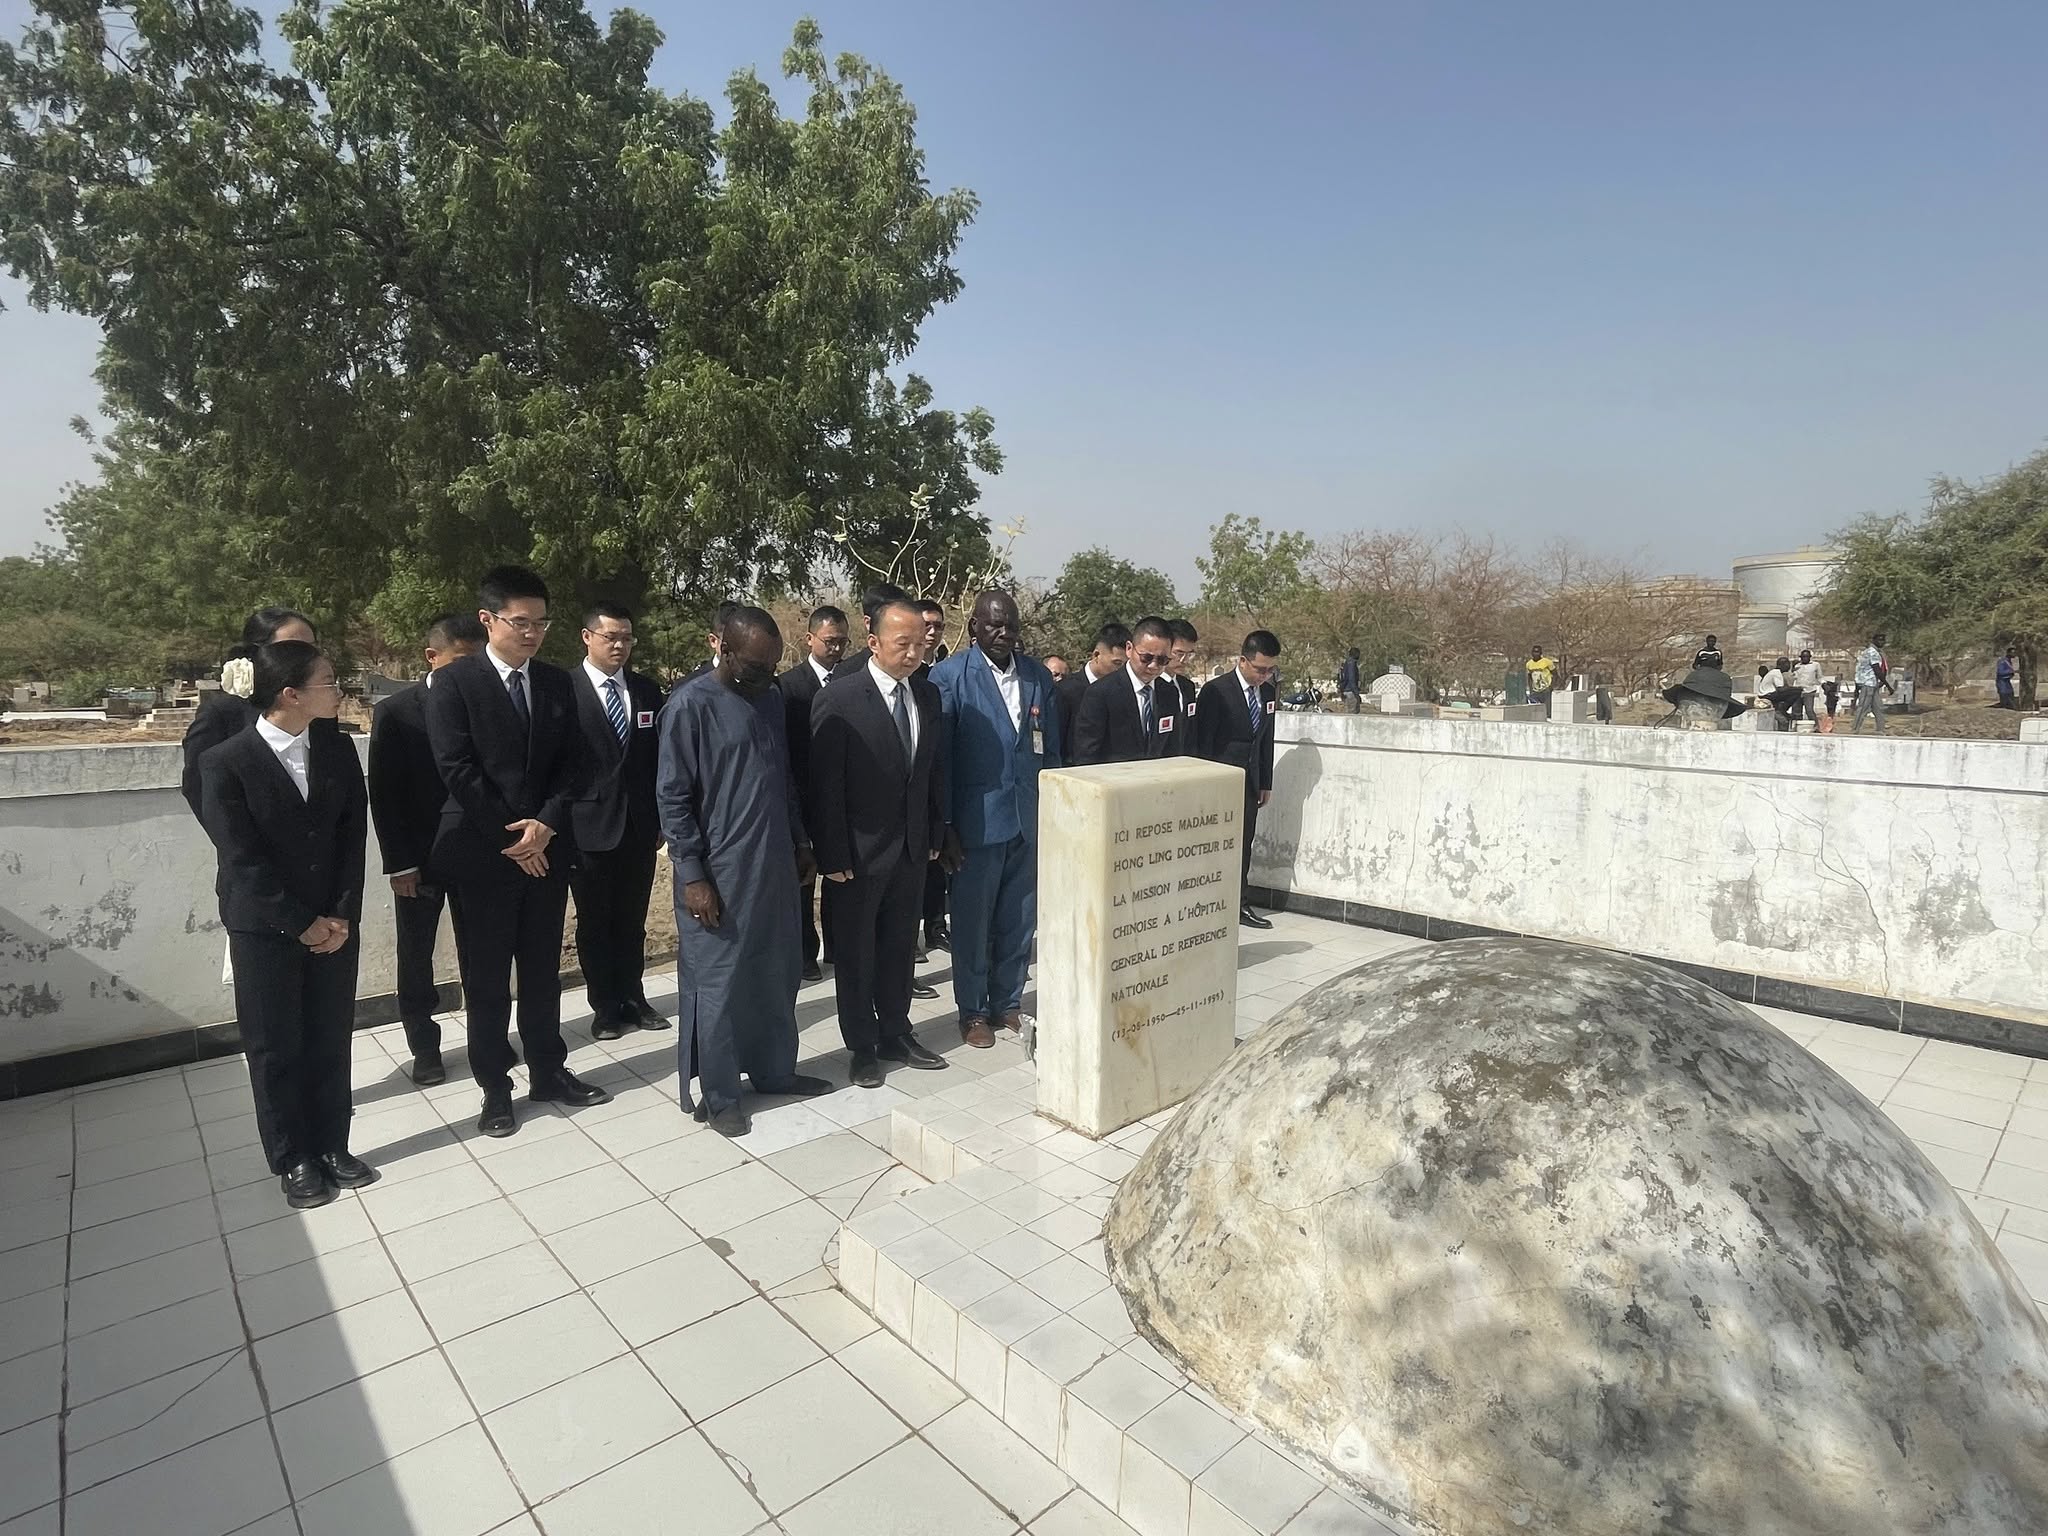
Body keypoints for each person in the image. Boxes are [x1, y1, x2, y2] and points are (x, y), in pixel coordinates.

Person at [426, 565, 611, 1137]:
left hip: (545, 850)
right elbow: (457, 769)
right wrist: (514, 838)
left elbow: (576, 764)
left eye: (541, 623)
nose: (532, 633)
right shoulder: (456, 684)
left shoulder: (556, 683)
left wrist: (547, 827)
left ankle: (549, 1070)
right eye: (520, 622)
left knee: (541, 972)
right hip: (483, 853)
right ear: (488, 620)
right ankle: (495, 1087)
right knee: (486, 980)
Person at [197, 641, 370, 1210]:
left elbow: (350, 838)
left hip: (334, 923)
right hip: (265, 927)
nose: (339, 688)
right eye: (329, 680)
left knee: (328, 1036)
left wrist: (340, 914)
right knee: (275, 1045)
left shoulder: (338, 749)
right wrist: (301, 924)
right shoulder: (225, 762)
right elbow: (242, 859)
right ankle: (293, 1155)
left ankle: (331, 1143)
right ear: (291, 694)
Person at [658, 607, 833, 1136]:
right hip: (718, 873)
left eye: (772, 668)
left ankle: (775, 1071)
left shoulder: (771, 698)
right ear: (723, 649)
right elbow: (672, 797)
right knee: (718, 985)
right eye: (754, 668)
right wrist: (692, 875)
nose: (764, 677)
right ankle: (720, 1095)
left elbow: (782, 778)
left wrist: (801, 841)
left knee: (775, 974)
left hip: (774, 864)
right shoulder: (690, 705)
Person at [809, 599, 949, 1087]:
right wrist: (832, 853)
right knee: (856, 954)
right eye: (902, 644)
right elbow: (825, 785)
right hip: (857, 856)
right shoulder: (841, 698)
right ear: (874, 643)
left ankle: (896, 1031)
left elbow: (929, 773)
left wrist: (934, 833)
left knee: (897, 949)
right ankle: (862, 1046)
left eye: (919, 643)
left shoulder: (926, 696)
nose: (912, 653)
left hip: (911, 850)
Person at [931, 589, 1060, 1048]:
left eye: (1011, 625)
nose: (1004, 633)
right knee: (971, 922)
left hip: (1028, 819)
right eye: (994, 625)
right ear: (975, 628)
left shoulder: (1038, 677)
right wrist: (944, 825)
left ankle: (1008, 1001)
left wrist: (1055, 813)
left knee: (1019, 919)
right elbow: (940, 760)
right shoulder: (949, 677)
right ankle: (973, 1012)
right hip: (975, 825)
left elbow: (1052, 753)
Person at [367, 611, 484, 1085]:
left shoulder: (486, 705)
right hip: (420, 858)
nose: (470, 673)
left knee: (483, 953)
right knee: (416, 956)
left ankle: (487, 1039)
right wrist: (400, 863)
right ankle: (424, 1046)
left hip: (478, 853)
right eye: (460, 662)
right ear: (433, 658)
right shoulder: (397, 712)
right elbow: (385, 793)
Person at [570, 602, 670, 1042]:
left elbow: (658, 760)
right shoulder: (564, 690)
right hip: (587, 829)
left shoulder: (647, 692)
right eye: (611, 637)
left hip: (638, 826)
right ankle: (605, 1006)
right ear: (587, 637)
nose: (620, 645)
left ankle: (634, 997)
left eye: (627, 638)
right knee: (595, 921)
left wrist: (661, 817)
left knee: (633, 920)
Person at [181, 607, 319, 819]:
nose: (304, 658)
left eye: (310, 649)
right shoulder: (221, 713)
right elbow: (198, 788)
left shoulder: (319, 711)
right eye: (291, 648)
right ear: (259, 653)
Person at [779, 604, 849, 982]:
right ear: (810, 639)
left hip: (842, 799)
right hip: (804, 797)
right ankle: (806, 951)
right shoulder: (789, 686)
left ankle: (839, 947)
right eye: (829, 642)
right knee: (803, 882)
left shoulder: (854, 679)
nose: (836, 649)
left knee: (840, 876)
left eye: (841, 642)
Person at [1195, 631, 1281, 931]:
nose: (1264, 675)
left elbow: (1265, 740)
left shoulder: (1268, 694)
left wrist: (1265, 781)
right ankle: (1207, 903)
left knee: (1244, 844)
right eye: (1260, 669)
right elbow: (1203, 743)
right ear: (1243, 660)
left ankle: (1239, 904)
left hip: (1251, 783)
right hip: (1220, 782)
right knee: (1213, 847)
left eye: (1270, 670)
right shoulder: (1216, 691)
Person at [1072, 616, 1189, 765]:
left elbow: (1173, 750)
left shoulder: (1169, 693)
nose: (1153, 666)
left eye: (1162, 660)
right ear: (1129, 649)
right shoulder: (1101, 693)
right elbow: (1086, 755)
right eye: (1146, 658)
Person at [916, 598, 952, 957]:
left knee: (936, 866)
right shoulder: (906, 672)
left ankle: (936, 926)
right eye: (925, 624)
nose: (931, 631)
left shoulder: (945, 670)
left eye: (937, 626)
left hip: (937, 785)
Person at [1054, 622, 1129, 754]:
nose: (1121, 670)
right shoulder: (1066, 691)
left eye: (1125, 664)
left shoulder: (1124, 691)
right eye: (1117, 663)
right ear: (1096, 655)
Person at [1850, 632, 1892, 734]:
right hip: (1867, 684)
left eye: (1883, 640)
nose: (1882, 642)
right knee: (1863, 707)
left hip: (1873, 684)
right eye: (1879, 640)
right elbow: (1877, 669)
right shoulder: (1872, 652)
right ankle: (1855, 729)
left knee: (1878, 708)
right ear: (1874, 641)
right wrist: (1888, 685)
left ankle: (1881, 729)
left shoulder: (1876, 652)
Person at [1166, 619, 1202, 726]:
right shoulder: (1151, 687)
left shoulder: (1187, 687)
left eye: (1189, 654)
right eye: (1179, 653)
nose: (1184, 660)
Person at [1790, 649, 1823, 723]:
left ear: (1809, 657)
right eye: (1803, 657)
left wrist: (1823, 684)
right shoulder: (1797, 666)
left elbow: (1820, 677)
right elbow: (1793, 677)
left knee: (1809, 710)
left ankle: (1816, 727)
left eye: (1806, 656)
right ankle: (1796, 728)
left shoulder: (1815, 665)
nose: (1804, 658)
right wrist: (1792, 669)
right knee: (1796, 711)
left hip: (1809, 690)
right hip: (1798, 691)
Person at [1525, 645, 1560, 715]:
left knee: (1547, 711)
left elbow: (1555, 675)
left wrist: (1551, 687)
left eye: (1537, 652)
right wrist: (1531, 688)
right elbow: (1529, 677)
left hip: (1546, 689)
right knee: (1536, 711)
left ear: (1541, 653)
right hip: (1535, 691)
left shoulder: (1547, 662)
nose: (1536, 654)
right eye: (1534, 652)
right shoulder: (1529, 664)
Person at [1337, 648, 1362, 713]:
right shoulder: (1352, 664)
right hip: (1351, 692)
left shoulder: (1346, 663)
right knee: (1352, 715)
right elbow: (1351, 679)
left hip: (1345, 691)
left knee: (1347, 714)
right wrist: (1356, 693)